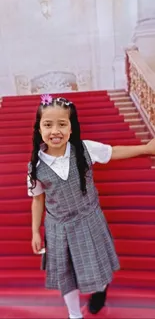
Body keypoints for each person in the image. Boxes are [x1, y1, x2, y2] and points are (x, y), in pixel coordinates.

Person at [27, 94, 155, 319]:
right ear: (39, 128)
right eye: (48, 124)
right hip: (59, 228)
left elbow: (112, 152)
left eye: (62, 124)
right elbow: (37, 199)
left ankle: (100, 290)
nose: (55, 130)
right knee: (67, 274)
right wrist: (35, 231)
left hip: (89, 220)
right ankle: (74, 314)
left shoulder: (85, 149)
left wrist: (145, 148)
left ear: (71, 128)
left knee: (97, 262)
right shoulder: (35, 165)